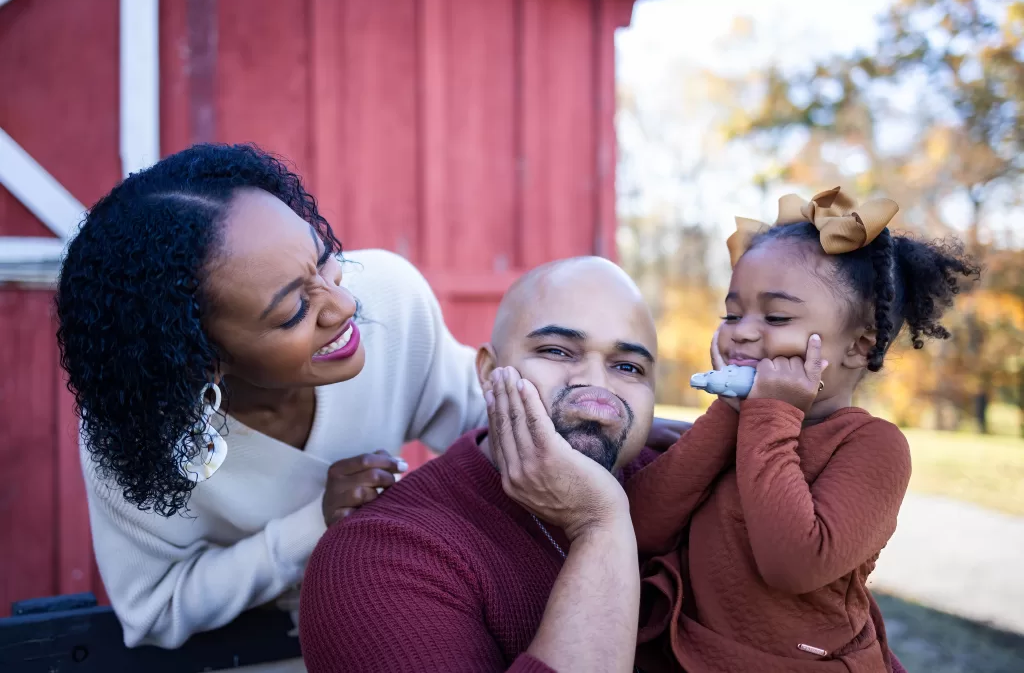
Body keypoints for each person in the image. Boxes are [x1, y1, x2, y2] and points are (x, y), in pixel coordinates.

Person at [55, 144, 688, 666]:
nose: (343, 306)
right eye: (296, 311)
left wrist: (649, 434)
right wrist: (314, 525)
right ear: (203, 357)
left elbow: (501, 423)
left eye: (327, 264)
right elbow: (154, 609)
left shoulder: (386, 297)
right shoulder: (134, 432)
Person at [626, 188, 979, 672]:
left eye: (776, 317)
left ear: (858, 345)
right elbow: (639, 528)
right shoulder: (735, 424)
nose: (742, 332)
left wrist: (769, 416)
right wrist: (730, 414)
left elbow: (793, 564)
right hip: (684, 651)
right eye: (732, 314)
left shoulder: (873, 446)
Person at [299, 257, 662, 672]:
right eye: (557, 351)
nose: (596, 384)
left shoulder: (687, 489)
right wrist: (600, 527)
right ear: (490, 372)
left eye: (628, 367)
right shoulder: (377, 557)